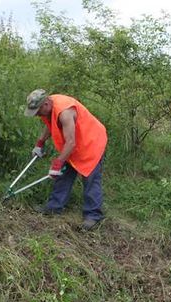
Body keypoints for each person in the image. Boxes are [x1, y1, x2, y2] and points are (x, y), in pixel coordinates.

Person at [24, 89, 108, 231]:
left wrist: (57, 163)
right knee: (63, 175)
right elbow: (50, 124)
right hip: (75, 144)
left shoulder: (65, 112)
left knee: (90, 179)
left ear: (45, 104)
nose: (37, 115)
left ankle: (93, 216)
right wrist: (40, 142)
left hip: (91, 143)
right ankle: (54, 207)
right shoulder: (50, 106)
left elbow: (70, 143)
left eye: (38, 111)